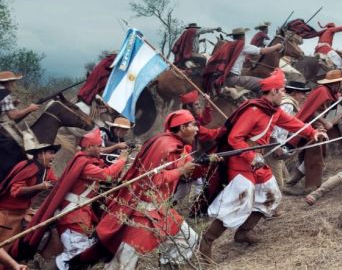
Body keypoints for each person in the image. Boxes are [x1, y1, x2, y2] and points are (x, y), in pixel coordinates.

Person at [199, 69, 327, 263]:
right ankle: (206, 242)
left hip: (257, 162)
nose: (284, 94)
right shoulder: (253, 111)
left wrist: (312, 133)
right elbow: (235, 138)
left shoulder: (273, 111)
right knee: (239, 203)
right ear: (273, 91)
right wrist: (251, 156)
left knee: (272, 196)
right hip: (241, 163)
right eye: (282, 90)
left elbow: (293, 123)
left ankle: (243, 233)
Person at [86, 110, 201, 270]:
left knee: (188, 239)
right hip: (143, 212)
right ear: (182, 128)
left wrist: (208, 160)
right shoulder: (164, 145)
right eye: (193, 125)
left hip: (160, 209)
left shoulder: (173, 144)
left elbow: (185, 158)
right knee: (123, 265)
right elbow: (151, 180)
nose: (197, 129)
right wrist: (181, 171)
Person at [9, 129, 128, 268]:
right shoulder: (85, 164)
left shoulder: (84, 160)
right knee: (76, 253)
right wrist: (121, 161)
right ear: (89, 147)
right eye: (99, 146)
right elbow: (107, 175)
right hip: (73, 215)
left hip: (81, 213)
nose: (102, 149)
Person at [284, 70, 342, 195]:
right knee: (314, 157)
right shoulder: (322, 91)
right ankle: (304, 186)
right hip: (311, 126)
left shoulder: (332, 90)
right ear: (334, 83)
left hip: (319, 126)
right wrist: (324, 123)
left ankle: (290, 183)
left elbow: (338, 96)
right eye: (340, 83)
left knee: (315, 157)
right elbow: (313, 112)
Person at [0, 134, 59, 246]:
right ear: (40, 155)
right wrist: (39, 187)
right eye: (51, 153)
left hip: (21, 212)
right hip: (7, 212)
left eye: (54, 153)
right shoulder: (27, 167)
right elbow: (15, 191)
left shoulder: (47, 170)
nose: (53, 156)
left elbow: (54, 183)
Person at [202, 27, 282, 94]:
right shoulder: (242, 45)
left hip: (223, 75)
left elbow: (232, 59)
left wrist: (244, 59)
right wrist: (277, 46)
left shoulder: (228, 45)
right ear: (243, 36)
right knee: (264, 83)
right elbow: (263, 51)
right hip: (232, 78)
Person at [268, 81, 311, 188]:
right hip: (271, 146)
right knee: (278, 185)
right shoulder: (288, 104)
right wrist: (276, 146)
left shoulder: (284, 102)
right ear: (295, 93)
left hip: (272, 144)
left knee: (283, 177)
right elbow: (276, 127)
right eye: (302, 93)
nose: (304, 96)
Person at [0, 71, 40, 146]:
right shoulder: (5, 96)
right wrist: (30, 108)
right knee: (12, 144)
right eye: (13, 82)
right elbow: (13, 116)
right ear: (8, 83)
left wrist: (12, 105)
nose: (14, 85)